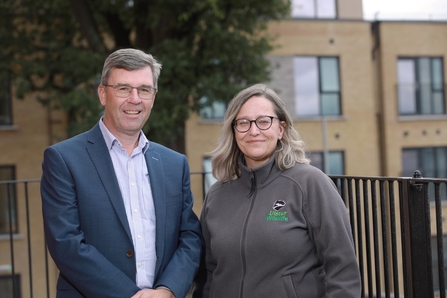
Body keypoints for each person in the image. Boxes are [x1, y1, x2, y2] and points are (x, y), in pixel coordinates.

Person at [41, 48, 203, 298]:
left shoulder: (174, 163)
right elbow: (66, 244)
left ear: (154, 96)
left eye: (144, 90)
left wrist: (168, 290)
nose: (135, 99)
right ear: (103, 94)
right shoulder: (64, 159)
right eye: (124, 89)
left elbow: (190, 236)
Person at [193, 84, 361, 297]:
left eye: (264, 121)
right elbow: (207, 274)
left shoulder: (310, 183)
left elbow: (342, 268)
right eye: (243, 123)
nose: (254, 131)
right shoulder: (217, 195)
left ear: (281, 129)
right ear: (234, 131)